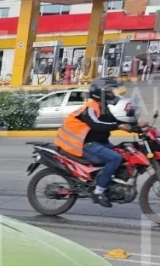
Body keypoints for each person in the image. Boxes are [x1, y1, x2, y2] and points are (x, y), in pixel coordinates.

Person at [53, 77, 140, 208]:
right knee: (115, 158)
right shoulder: (90, 108)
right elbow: (96, 125)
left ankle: (109, 181)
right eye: (110, 92)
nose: (113, 94)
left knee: (125, 151)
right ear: (101, 93)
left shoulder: (104, 108)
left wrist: (138, 126)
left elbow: (117, 121)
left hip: (99, 143)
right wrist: (119, 127)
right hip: (85, 145)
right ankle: (98, 190)